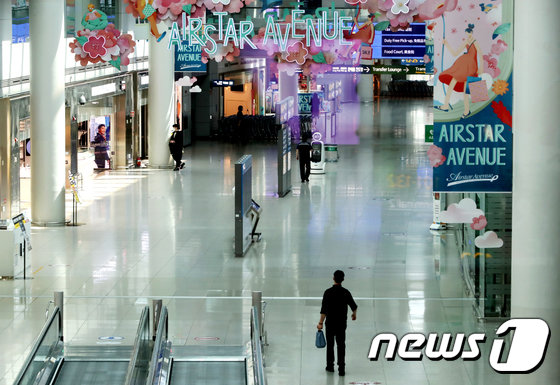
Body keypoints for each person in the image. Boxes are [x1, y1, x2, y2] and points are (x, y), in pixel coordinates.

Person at [435, 24, 483, 119]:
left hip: (470, 66)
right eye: (466, 33)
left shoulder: (474, 41)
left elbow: (480, 54)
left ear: (471, 33)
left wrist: (481, 68)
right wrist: (447, 44)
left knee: (467, 90)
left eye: (469, 33)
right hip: (463, 64)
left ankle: (466, 110)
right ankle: (446, 105)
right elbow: (455, 53)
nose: (467, 35)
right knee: (454, 81)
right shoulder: (466, 42)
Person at [317, 270, 357, 376]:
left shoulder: (328, 292)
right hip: (341, 324)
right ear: (343, 279)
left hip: (330, 323)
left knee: (330, 345)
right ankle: (341, 368)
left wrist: (320, 322)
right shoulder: (346, 292)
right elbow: (354, 306)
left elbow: (324, 310)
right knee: (341, 345)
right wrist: (354, 314)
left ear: (333, 278)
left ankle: (330, 366)